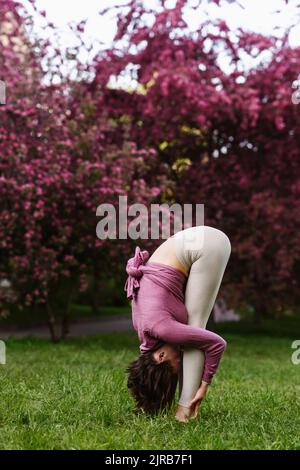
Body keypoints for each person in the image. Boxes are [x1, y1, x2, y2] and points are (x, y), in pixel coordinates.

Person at [125, 225, 231, 422]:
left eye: (176, 364)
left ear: (161, 355)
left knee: (195, 330)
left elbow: (217, 344)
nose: (181, 362)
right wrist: (146, 401)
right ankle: (184, 407)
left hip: (207, 244)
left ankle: (185, 412)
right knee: (190, 336)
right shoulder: (147, 340)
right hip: (193, 240)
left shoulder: (161, 328)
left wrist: (205, 385)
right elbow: (147, 375)